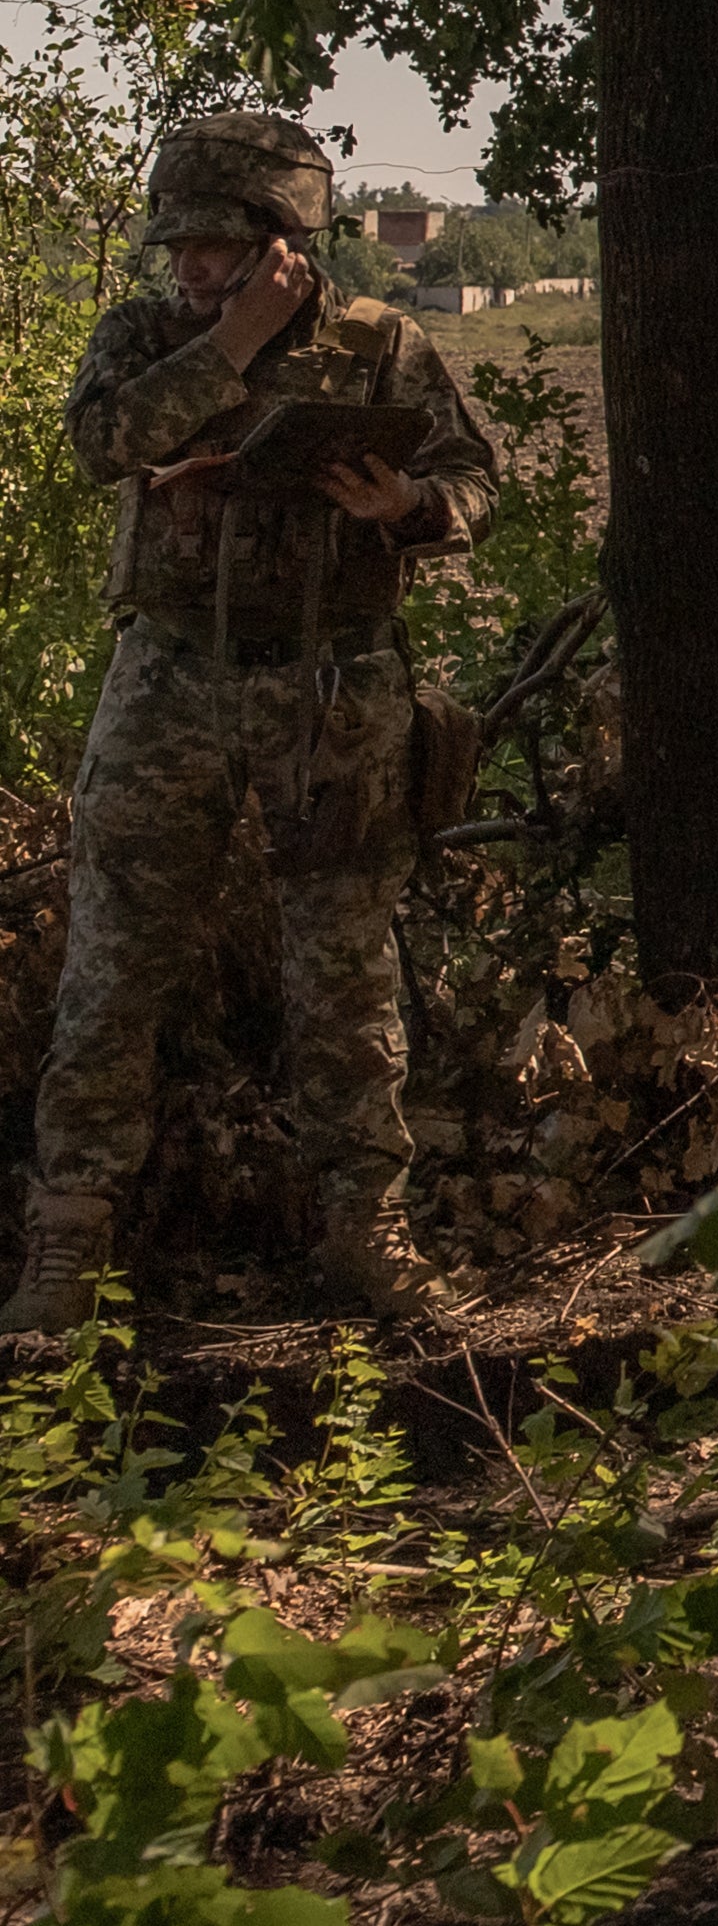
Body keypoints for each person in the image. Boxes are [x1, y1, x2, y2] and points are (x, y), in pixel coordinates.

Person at [12, 112, 504, 1335]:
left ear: (285, 239)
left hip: (330, 692)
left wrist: (408, 505)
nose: (187, 268)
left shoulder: (378, 344)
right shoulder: (145, 335)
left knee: (344, 973)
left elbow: (474, 480)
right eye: (175, 245)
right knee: (112, 967)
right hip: (168, 680)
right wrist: (229, 342)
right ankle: (67, 1245)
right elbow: (100, 443)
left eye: (216, 250)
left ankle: (368, 1237)